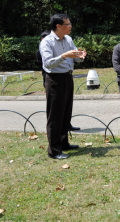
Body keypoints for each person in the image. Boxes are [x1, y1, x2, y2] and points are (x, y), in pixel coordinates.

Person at [40, 14, 87, 160]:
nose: (70, 26)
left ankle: (63, 143)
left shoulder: (68, 39)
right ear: (58, 26)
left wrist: (80, 57)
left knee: (66, 112)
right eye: (68, 24)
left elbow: (74, 57)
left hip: (67, 77)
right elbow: (47, 64)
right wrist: (64, 55)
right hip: (54, 79)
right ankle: (54, 150)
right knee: (55, 115)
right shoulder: (46, 42)